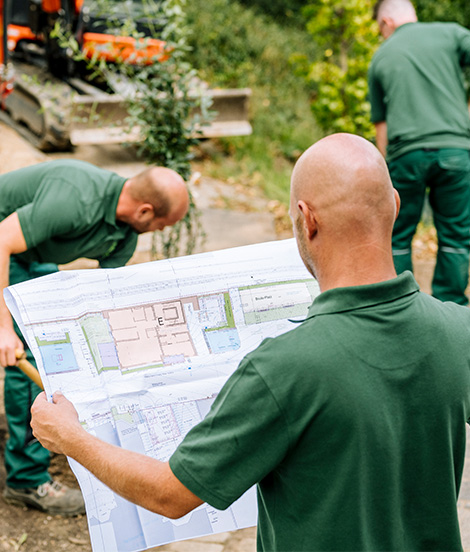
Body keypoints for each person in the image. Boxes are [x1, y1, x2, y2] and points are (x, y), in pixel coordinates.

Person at [31, 134, 470, 550]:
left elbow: (171, 494)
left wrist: (71, 437)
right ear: (394, 206)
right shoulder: (459, 331)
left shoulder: (284, 366)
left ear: (308, 219)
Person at [0, 159, 189, 516]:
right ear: (146, 210)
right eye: (163, 225)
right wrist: (4, 328)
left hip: (33, 252)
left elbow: (104, 303)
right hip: (4, 245)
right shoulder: (75, 198)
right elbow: (3, 241)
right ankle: (26, 480)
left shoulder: (125, 234)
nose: (160, 231)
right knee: (25, 355)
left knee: (52, 347)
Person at [368, 0, 470, 305]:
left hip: (405, 156)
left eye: (378, 30)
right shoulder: (450, 34)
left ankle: (401, 306)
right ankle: (453, 307)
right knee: (456, 234)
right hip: (456, 151)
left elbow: (381, 128)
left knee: (397, 235)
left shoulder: (380, 57)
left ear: (386, 21)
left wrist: (385, 175)